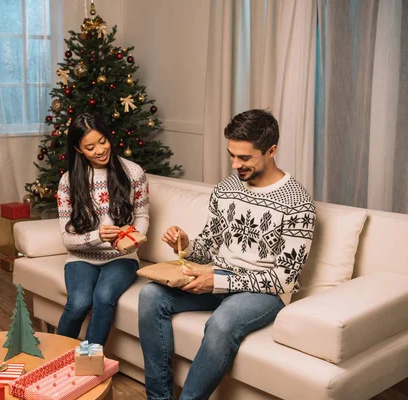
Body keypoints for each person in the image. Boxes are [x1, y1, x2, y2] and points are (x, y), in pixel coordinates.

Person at [139, 109, 316, 400]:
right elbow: (209, 245)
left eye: (244, 158)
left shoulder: (298, 203)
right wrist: (185, 244)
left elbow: (283, 280)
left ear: (271, 151)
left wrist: (218, 281)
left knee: (221, 324)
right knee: (150, 296)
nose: (235, 164)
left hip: (264, 293)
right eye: (232, 155)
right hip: (217, 278)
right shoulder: (226, 188)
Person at [56, 112, 149, 346]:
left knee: (104, 297)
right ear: (78, 149)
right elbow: (67, 238)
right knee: (78, 302)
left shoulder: (133, 172)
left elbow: (142, 216)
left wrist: (130, 237)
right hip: (80, 258)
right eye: (90, 147)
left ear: (109, 137)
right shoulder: (68, 181)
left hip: (122, 257)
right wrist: (98, 236)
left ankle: (91, 361)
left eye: (103, 141)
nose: (99, 150)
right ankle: (54, 359)